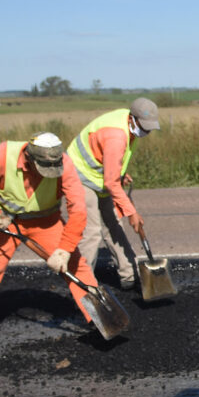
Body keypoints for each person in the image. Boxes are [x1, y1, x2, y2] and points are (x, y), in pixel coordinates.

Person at [0, 133, 98, 349]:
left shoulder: (63, 162)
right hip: (4, 222)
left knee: (76, 266)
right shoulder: (0, 156)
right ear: (28, 158)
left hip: (46, 223)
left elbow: (78, 209)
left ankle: (99, 318)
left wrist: (64, 250)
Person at [67, 97, 159, 290]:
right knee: (92, 232)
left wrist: (120, 173)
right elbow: (110, 182)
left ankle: (129, 276)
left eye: (150, 127)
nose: (147, 131)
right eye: (144, 126)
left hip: (101, 178)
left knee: (114, 225)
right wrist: (131, 211)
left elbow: (112, 164)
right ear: (132, 119)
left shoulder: (130, 129)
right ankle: (83, 286)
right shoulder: (116, 136)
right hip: (79, 175)